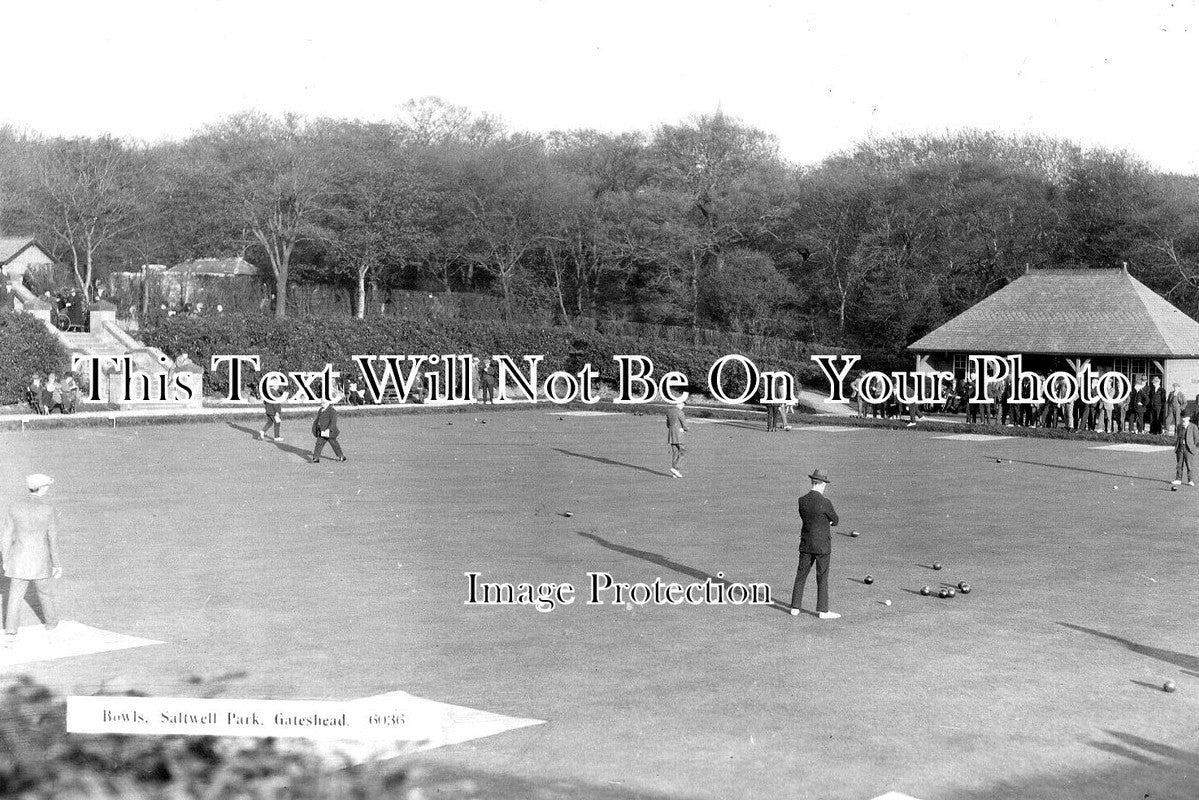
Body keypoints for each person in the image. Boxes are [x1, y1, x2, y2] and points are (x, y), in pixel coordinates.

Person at [2, 474, 62, 645]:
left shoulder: (14, 507)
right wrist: (57, 564)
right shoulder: (48, 509)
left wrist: (6, 560)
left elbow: (6, 536)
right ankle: (52, 626)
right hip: (40, 561)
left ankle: (11, 632)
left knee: (14, 596)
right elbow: (53, 538)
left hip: (18, 561)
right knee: (45, 594)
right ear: (42, 488)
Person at [789, 468, 840, 620]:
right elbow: (835, 521)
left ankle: (795, 607)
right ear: (821, 484)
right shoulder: (825, 502)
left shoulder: (802, 500)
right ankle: (823, 611)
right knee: (822, 577)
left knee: (801, 575)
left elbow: (808, 519)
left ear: (812, 482)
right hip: (822, 546)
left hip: (806, 544)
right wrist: (827, 521)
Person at [311, 395, 347, 463]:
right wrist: (315, 428)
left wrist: (329, 429)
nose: (322, 404)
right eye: (321, 403)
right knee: (319, 444)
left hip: (330, 432)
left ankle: (341, 456)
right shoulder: (320, 410)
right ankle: (316, 458)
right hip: (321, 431)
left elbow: (333, 422)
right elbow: (317, 420)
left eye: (324, 403)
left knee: (334, 444)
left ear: (328, 403)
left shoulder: (332, 411)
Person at [666, 399, 689, 478]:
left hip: (671, 435)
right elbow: (684, 424)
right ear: (679, 403)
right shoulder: (680, 412)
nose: (683, 406)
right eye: (682, 404)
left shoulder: (669, 411)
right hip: (679, 435)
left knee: (675, 452)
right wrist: (686, 429)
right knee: (682, 451)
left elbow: (668, 424)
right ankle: (675, 468)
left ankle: (675, 472)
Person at [1174, 413, 1198, 487]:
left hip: (1188, 449)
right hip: (1180, 447)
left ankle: (1190, 480)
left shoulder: (1193, 426)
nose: (1183, 419)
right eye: (1182, 417)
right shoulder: (1179, 426)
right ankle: (1178, 479)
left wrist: (1192, 445)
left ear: (1188, 418)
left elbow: (1196, 438)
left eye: (1185, 418)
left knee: (1189, 465)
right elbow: (1177, 436)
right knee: (1179, 464)